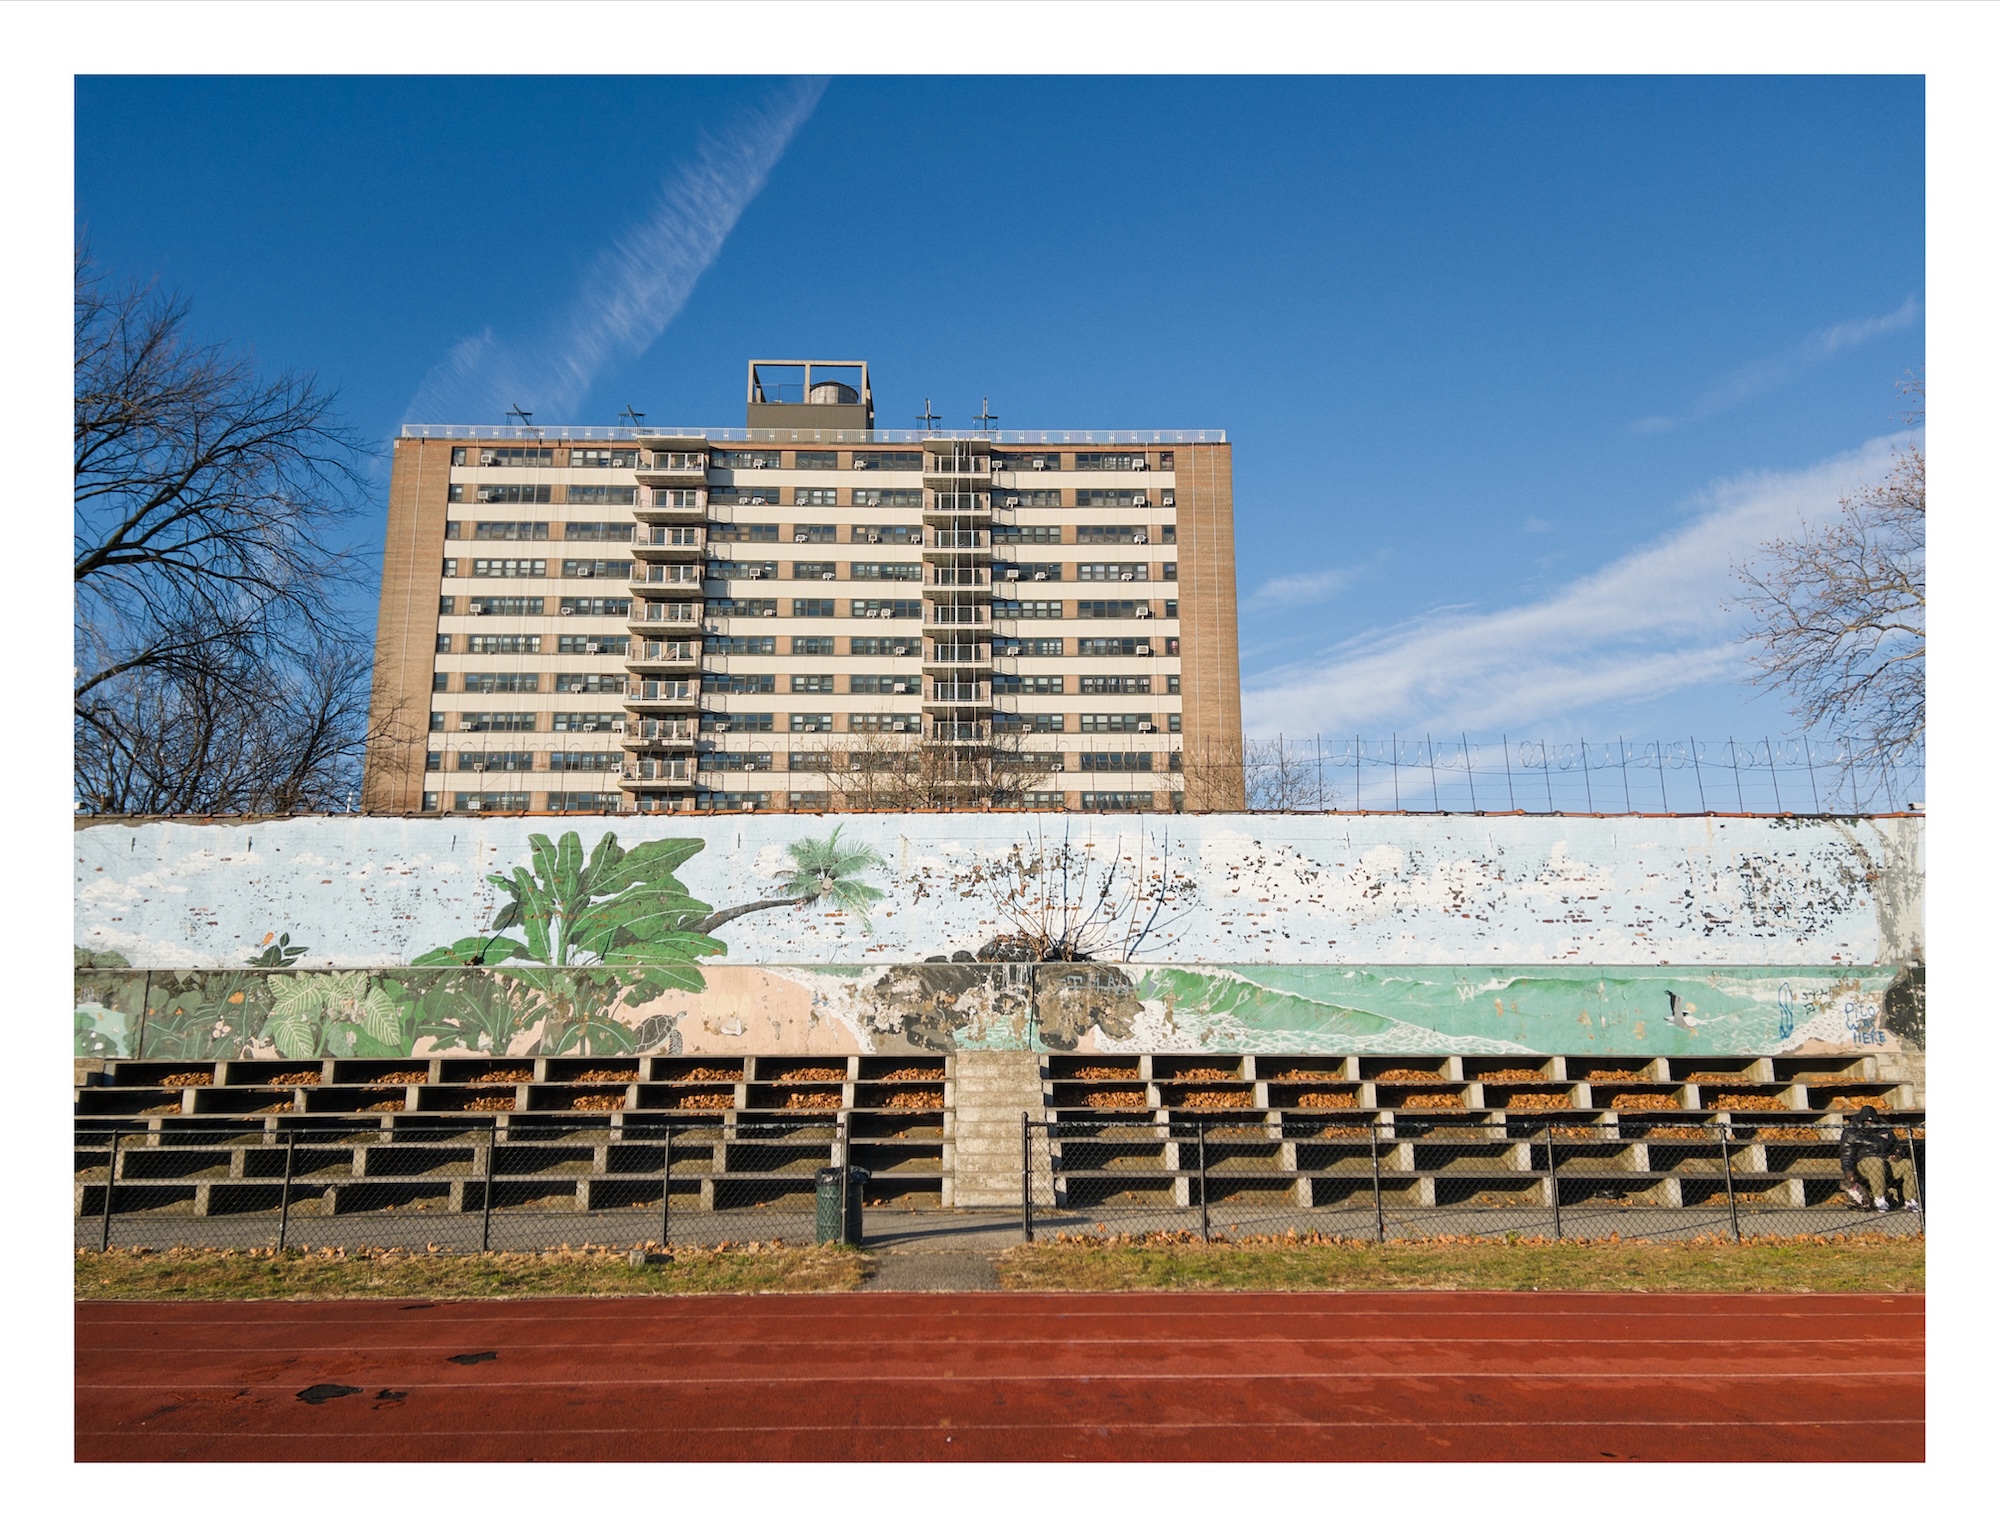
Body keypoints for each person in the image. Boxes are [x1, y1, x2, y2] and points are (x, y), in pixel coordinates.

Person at [1839, 1106, 1920, 1213]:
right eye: (1866, 1121)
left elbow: (1896, 1146)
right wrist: (1848, 1170)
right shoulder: (1852, 1131)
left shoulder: (1884, 1128)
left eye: (1872, 1121)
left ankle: (1911, 1200)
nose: (1869, 1123)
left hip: (1886, 1160)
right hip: (1864, 1163)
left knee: (1908, 1164)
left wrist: (1897, 1155)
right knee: (1876, 1162)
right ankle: (1879, 1199)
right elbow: (1846, 1154)